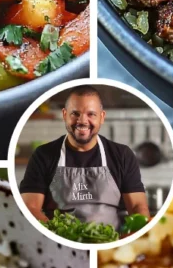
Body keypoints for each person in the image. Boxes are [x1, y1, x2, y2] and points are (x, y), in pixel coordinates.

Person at [20, 86, 150, 232]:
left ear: (102, 117)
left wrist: (137, 234)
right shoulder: (43, 155)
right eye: (75, 113)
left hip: (109, 241)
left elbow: (137, 206)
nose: (82, 121)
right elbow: (30, 207)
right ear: (64, 115)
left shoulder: (122, 154)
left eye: (91, 114)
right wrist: (59, 236)